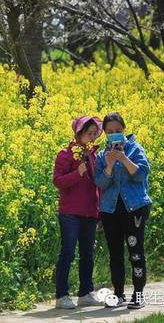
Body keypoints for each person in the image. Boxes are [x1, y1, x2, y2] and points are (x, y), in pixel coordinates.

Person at [94, 112, 152, 309]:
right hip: (110, 210)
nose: (114, 134)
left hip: (134, 208)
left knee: (136, 252)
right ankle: (118, 294)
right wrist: (109, 166)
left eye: (118, 131)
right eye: (110, 132)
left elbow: (142, 174)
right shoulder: (103, 156)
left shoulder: (135, 149)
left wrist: (124, 158)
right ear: (104, 133)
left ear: (124, 130)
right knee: (115, 254)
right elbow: (100, 183)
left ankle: (138, 294)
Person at [53, 115, 105, 309]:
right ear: (79, 133)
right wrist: (77, 173)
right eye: (89, 133)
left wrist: (99, 212)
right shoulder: (65, 154)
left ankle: (85, 293)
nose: (92, 137)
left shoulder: (93, 155)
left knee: (87, 254)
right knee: (67, 253)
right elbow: (57, 181)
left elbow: (97, 186)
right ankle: (61, 295)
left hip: (90, 212)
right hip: (70, 213)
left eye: (94, 134)